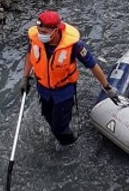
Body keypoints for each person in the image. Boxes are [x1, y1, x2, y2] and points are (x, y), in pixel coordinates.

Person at [20, 10, 120, 146]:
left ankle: (70, 144)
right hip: (44, 89)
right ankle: (62, 135)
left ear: (56, 30)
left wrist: (107, 87)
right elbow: (30, 55)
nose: (40, 34)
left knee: (59, 129)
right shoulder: (35, 40)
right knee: (48, 117)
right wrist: (25, 78)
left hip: (63, 92)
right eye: (39, 30)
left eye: (44, 32)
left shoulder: (74, 46)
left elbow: (93, 65)